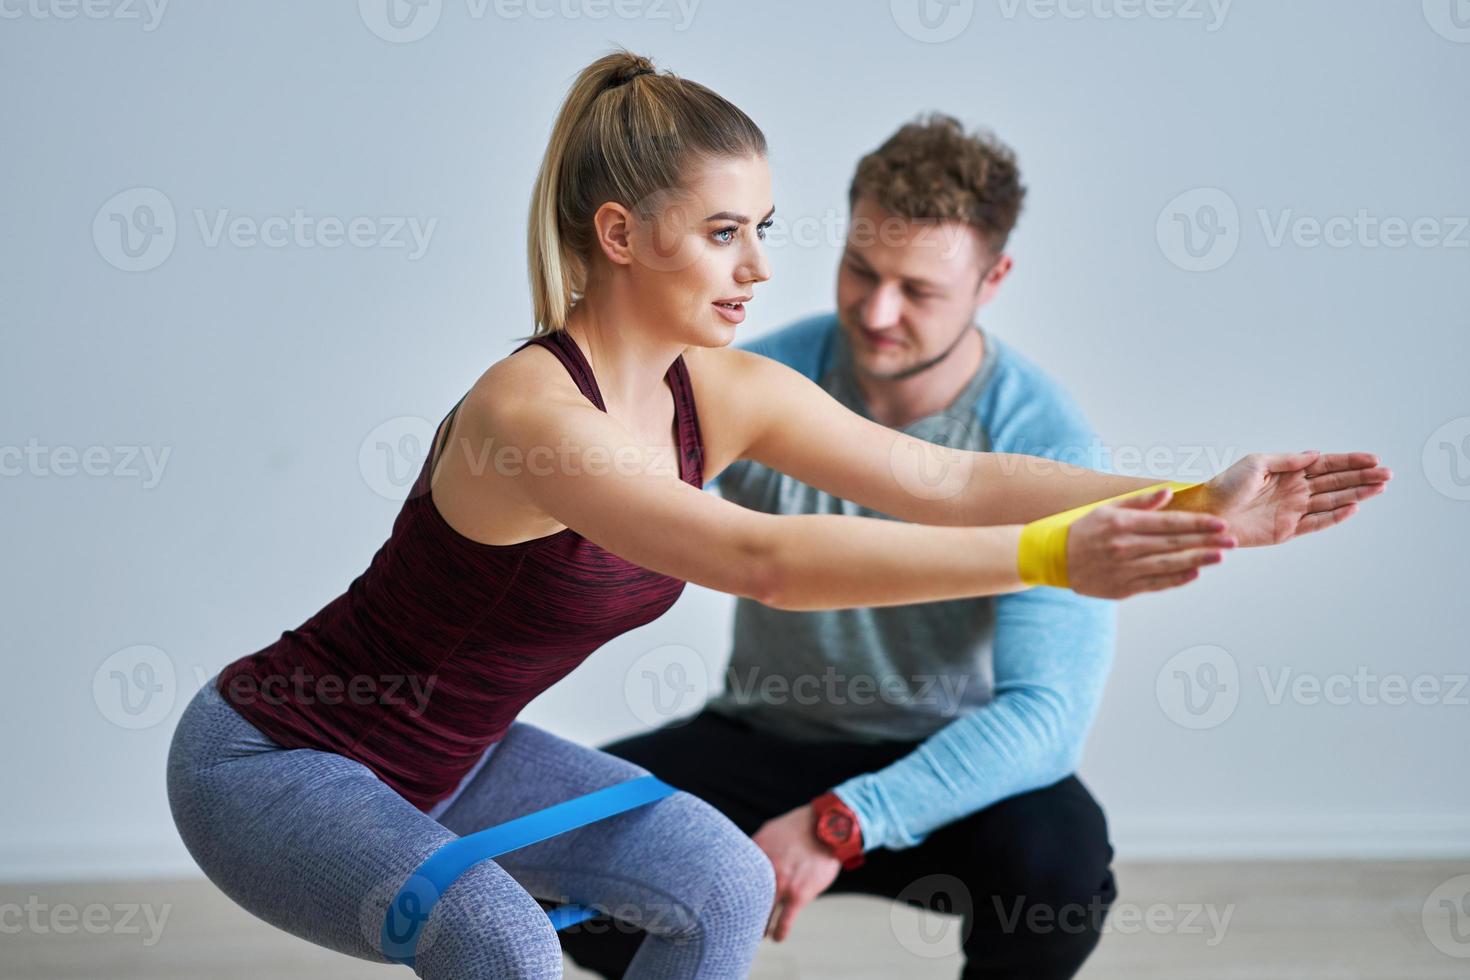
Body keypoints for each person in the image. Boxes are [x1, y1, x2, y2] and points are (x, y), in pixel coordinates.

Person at [165, 49, 1390, 980]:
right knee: (502, 937)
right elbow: (762, 555)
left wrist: (1187, 497)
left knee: (715, 872)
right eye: (725, 233)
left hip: (463, 759)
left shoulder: (724, 387)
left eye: (765, 231)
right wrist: (1054, 555)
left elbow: (948, 478)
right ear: (621, 235)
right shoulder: (531, 412)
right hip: (282, 760)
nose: (760, 266)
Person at [556, 113, 1173, 979]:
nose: (876, 313)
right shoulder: (755, 383)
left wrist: (839, 819)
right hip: (761, 734)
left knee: (1060, 869)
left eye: (918, 291)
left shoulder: (1047, 443)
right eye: (861, 270)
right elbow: (600, 487)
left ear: (993, 278)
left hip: (944, 760)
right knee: (551, 846)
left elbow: (1045, 720)